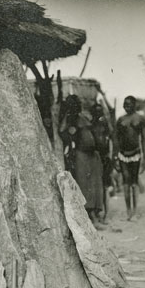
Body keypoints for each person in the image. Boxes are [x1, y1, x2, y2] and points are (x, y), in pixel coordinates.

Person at [59, 95, 104, 227]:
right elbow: (63, 132)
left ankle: (95, 214)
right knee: (85, 186)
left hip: (92, 156)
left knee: (95, 185)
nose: (77, 106)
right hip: (81, 155)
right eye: (74, 104)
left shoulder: (82, 117)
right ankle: (90, 217)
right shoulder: (70, 119)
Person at [115, 95, 145, 220]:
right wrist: (115, 158)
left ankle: (134, 210)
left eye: (129, 104)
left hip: (136, 154)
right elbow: (117, 139)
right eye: (124, 104)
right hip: (123, 154)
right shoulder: (120, 119)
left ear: (134, 105)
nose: (126, 106)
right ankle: (128, 210)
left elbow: (143, 139)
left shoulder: (140, 119)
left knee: (134, 183)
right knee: (126, 183)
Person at [90, 103, 113, 222]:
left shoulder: (104, 125)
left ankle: (106, 214)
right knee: (97, 187)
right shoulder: (91, 125)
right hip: (95, 158)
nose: (98, 114)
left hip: (104, 158)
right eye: (96, 111)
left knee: (105, 187)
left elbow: (109, 141)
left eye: (100, 111)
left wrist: (110, 156)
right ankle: (98, 212)